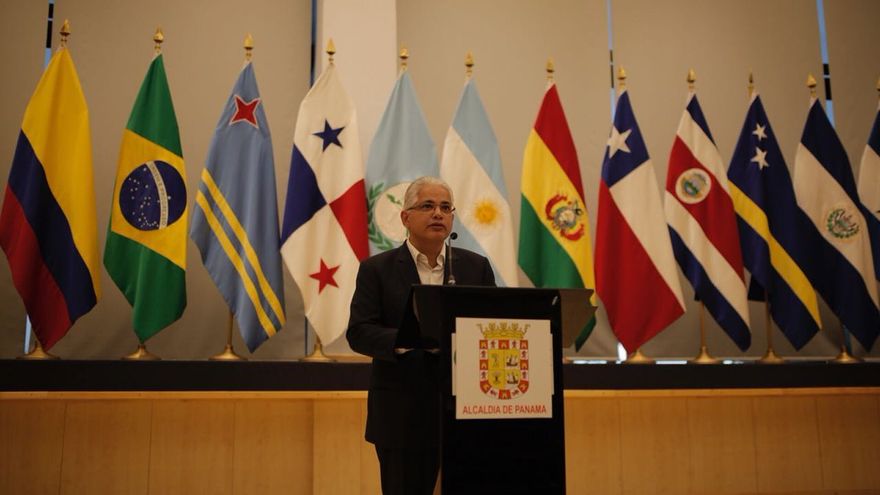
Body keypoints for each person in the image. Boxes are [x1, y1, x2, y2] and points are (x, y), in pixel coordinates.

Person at [347, 176, 496, 495]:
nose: (438, 213)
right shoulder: (377, 269)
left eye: (445, 207)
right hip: (401, 415)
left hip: (466, 412)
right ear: (405, 217)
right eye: (427, 206)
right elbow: (359, 332)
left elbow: (491, 327)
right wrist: (407, 340)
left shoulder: (476, 268)